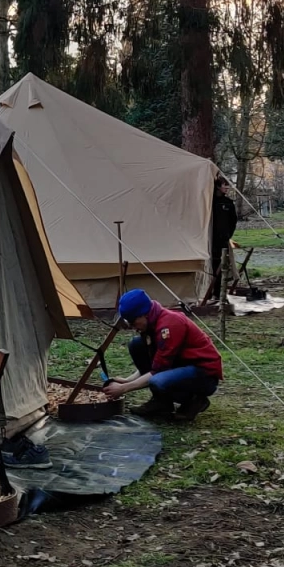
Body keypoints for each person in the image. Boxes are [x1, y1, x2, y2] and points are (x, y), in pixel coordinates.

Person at [103, 289, 222, 420]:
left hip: (203, 373)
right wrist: (128, 380)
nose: (133, 328)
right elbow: (156, 361)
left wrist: (124, 388)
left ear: (144, 314)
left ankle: (194, 400)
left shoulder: (169, 325)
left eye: (133, 322)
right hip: (180, 364)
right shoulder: (151, 322)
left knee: (157, 381)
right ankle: (161, 403)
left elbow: (157, 370)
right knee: (136, 344)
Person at [210, 176, 239, 300]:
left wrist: (228, 235)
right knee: (213, 265)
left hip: (223, 239)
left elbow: (233, 220)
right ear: (218, 186)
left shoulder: (228, 203)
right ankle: (211, 291)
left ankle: (218, 292)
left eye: (228, 185)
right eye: (224, 185)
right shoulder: (210, 202)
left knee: (222, 266)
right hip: (211, 239)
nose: (227, 187)